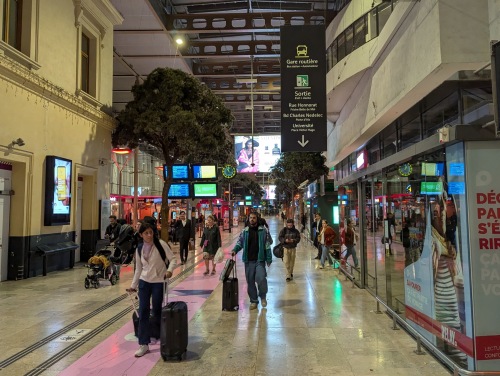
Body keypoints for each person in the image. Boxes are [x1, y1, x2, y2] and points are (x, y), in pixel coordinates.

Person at [126, 222, 176, 357]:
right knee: (142, 311)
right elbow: (138, 269)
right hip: (144, 282)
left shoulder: (161, 244)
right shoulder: (139, 248)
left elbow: (172, 259)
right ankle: (143, 343)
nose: (149, 235)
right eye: (146, 233)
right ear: (141, 234)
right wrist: (133, 285)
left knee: (157, 310)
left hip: (158, 282)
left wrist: (170, 271)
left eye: (151, 232)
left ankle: (159, 334)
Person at [231, 212, 273, 310]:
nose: (252, 219)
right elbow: (240, 242)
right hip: (248, 260)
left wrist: (269, 258)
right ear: (248, 219)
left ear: (257, 219)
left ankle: (263, 296)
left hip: (260, 259)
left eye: (254, 218)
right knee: (250, 281)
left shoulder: (263, 230)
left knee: (261, 278)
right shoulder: (245, 231)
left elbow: (267, 245)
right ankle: (253, 301)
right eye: (250, 218)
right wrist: (235, 250)